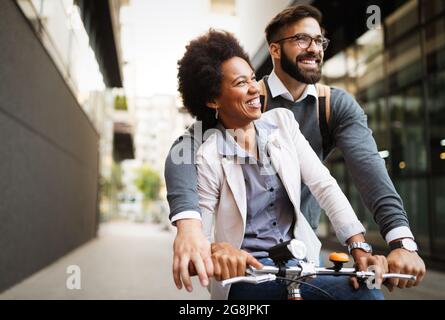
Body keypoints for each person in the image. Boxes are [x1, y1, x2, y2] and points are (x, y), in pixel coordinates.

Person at [166, 4, 425, 298]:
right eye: (302, 39)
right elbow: (185, 156)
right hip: (248, 273)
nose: (254, 89)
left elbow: (329, 184)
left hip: (301, 259)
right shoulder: (212, 147)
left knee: (367, 293)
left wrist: (363, 245)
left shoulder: (289, 120)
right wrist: (203, 240)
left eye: (319, 41)